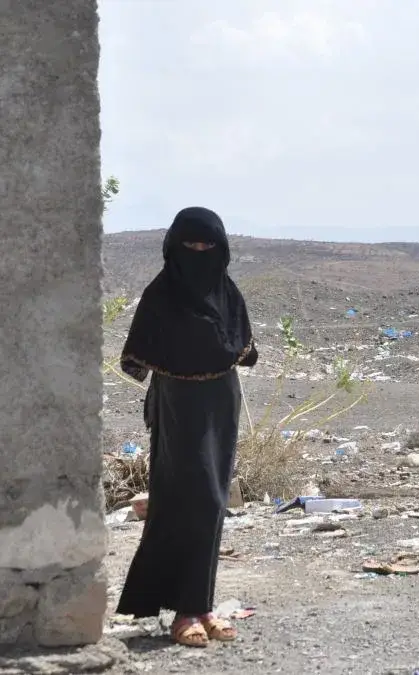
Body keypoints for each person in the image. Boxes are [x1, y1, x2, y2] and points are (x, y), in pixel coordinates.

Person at [116, 207, 258, 647]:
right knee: (185, 497)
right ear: (174, 248)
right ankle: (184, 611)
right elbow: (137, 354)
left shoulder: (227, 294)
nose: (198, 253)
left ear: (221, 249)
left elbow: (244, 349)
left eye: (207, 245)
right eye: (190, 245)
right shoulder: (161, 295)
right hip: (176, 404)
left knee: (212, 502)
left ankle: (200, 606)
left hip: (220, 402)